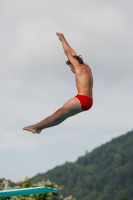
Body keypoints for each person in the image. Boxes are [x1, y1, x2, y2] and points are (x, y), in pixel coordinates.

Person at [23, 33, 93, 134]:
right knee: (62, 116)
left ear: (75, 64)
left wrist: (62, 38)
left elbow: (68, 52)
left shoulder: (78, 67)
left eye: (70, 66)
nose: (71, 69)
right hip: (89, 101)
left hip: (82, 98)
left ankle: (35, 127)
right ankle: (39, 128)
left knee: (59, 113)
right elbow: (74, 55)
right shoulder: (86, 67)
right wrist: (63, 41)